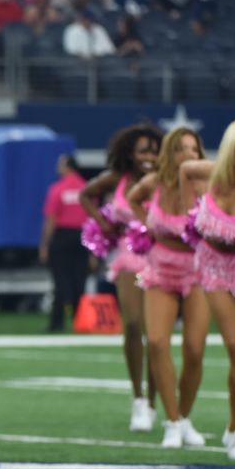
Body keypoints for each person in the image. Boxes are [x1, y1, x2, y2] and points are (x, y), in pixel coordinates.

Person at [180, 119, 235, 462]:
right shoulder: (211, 173)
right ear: (233, 146)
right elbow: (186, 169)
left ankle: (234, 428)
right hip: (214, 267)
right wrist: (193, 212)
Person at [126, 127, 212, 449]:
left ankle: (185, 417)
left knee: (194, 349)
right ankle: (172, 421)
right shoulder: (155, 183)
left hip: (197, 271)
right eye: (181, 149)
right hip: (160, 269)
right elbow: (134, 199)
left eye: (194, 149)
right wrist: (146, 225)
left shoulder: (205, 186)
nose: (188, 155)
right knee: (159, 343)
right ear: (170, 153)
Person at [80, 123, 162, 432]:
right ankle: (138, 398)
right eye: (143, 150)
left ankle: (156, 401)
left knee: (157, 335)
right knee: (132, 323)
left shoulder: (165, 181)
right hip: (128, 252)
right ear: (130, 153)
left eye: (154, 150)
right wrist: (103, 222)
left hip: (161, 256)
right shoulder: (118, 179)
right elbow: (86, 195)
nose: (149, 157)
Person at [40, 154, 89, 333]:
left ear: (68, 166)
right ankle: (80, 321)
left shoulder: (57, 189)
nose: (57, 166)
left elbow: (51, 218)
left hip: (62, 237)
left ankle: (57, 322)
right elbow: (92, 218)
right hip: (82, 237)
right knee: (79, 281)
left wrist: (45, 244)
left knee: (60, 282)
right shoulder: (85, 188)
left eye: (60, 163)